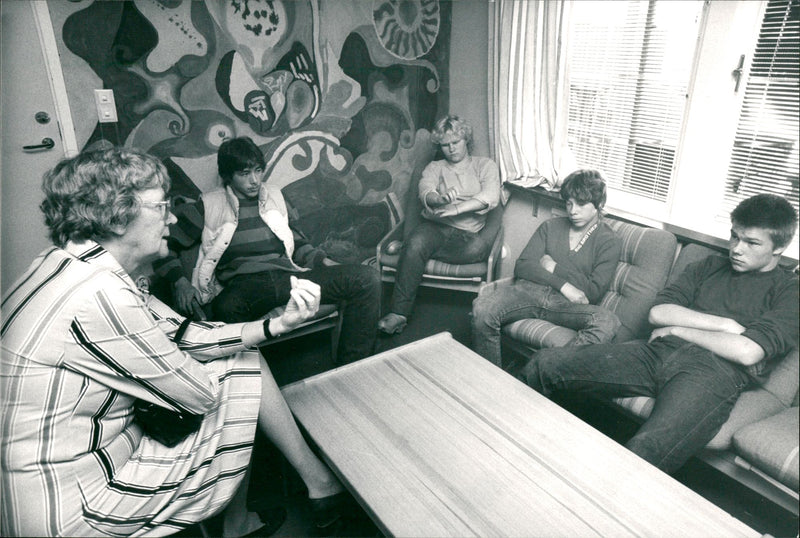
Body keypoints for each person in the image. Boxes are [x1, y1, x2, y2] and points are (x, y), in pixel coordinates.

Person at [0, 148, 350, 537]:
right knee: (235, 372)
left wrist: (277, 325)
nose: (171, 217)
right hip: (72, 504)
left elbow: (184, 333)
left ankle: (279, 502)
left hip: (55, 476)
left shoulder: (69, 264)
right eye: (162, 206)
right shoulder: (101, 295)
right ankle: (309, 488)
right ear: (117, 217)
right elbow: (199, 394)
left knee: (234, 358)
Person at [519, 193, 799, 474]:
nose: (737, 249)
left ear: (780, 247)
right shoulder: (709, 266)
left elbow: (747, 351)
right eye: (734, 237)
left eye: (751, 243)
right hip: (656, 351)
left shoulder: (790, 290)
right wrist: (724, 326)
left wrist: (679, 328)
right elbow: (659, 313)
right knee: (545, 364)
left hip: (713, 373)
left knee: (646, 450)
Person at [154, 136, 380, 364]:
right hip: (245, 286)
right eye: (244, 174)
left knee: (366, 278)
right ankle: (250, 381)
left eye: (258, 171)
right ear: (227, 176)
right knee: (225, 310)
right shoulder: (209, 205)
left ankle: (353, 364)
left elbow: (297, 242)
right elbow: (164, 245)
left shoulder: (276, 197)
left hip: (288, 279)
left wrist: (322, 262)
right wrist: (180, 282)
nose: (254, 181)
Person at [471, 169, 622, 367]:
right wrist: (565, 285)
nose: (572, 210)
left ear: (598, 205)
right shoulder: (550, 226)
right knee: (482, 308)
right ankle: (490, 379)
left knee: (607, 321)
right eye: (569, 203)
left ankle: (543, 372)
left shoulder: (609, 241)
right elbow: (523, 266)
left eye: (581, 204)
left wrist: (553, 266)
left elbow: (592, 292)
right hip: (530, 292)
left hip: (567, 306)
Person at [377, 115, 501, 334]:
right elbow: (425, 191)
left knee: (475, 248)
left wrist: (457, 209)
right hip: (435, 228)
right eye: (445, 145)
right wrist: (440, 199)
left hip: (468, 236)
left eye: (456, 142)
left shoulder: (485, 165)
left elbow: (491, 195)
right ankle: (399, 313)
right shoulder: (434, 167)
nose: (451, 149)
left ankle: (412, 252)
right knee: (417, 242)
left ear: (466, 140)